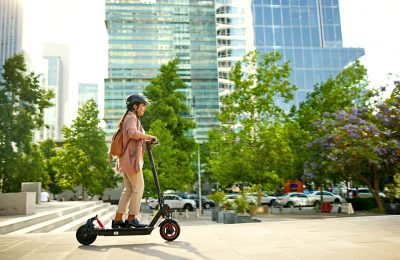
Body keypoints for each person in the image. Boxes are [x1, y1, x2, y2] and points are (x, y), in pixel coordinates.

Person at [112, 94, 157, 228]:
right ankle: (131, 218)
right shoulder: (131, 117)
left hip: (127, 160)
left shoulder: (132, 117)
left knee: (129, 189)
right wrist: (150, 137)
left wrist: (147, 140)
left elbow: (135, 137)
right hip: (130, 161)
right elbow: (132, 133)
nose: (144, 108)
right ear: (135, 106)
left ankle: (118, 219)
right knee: (138, 188)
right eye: (143, 105)